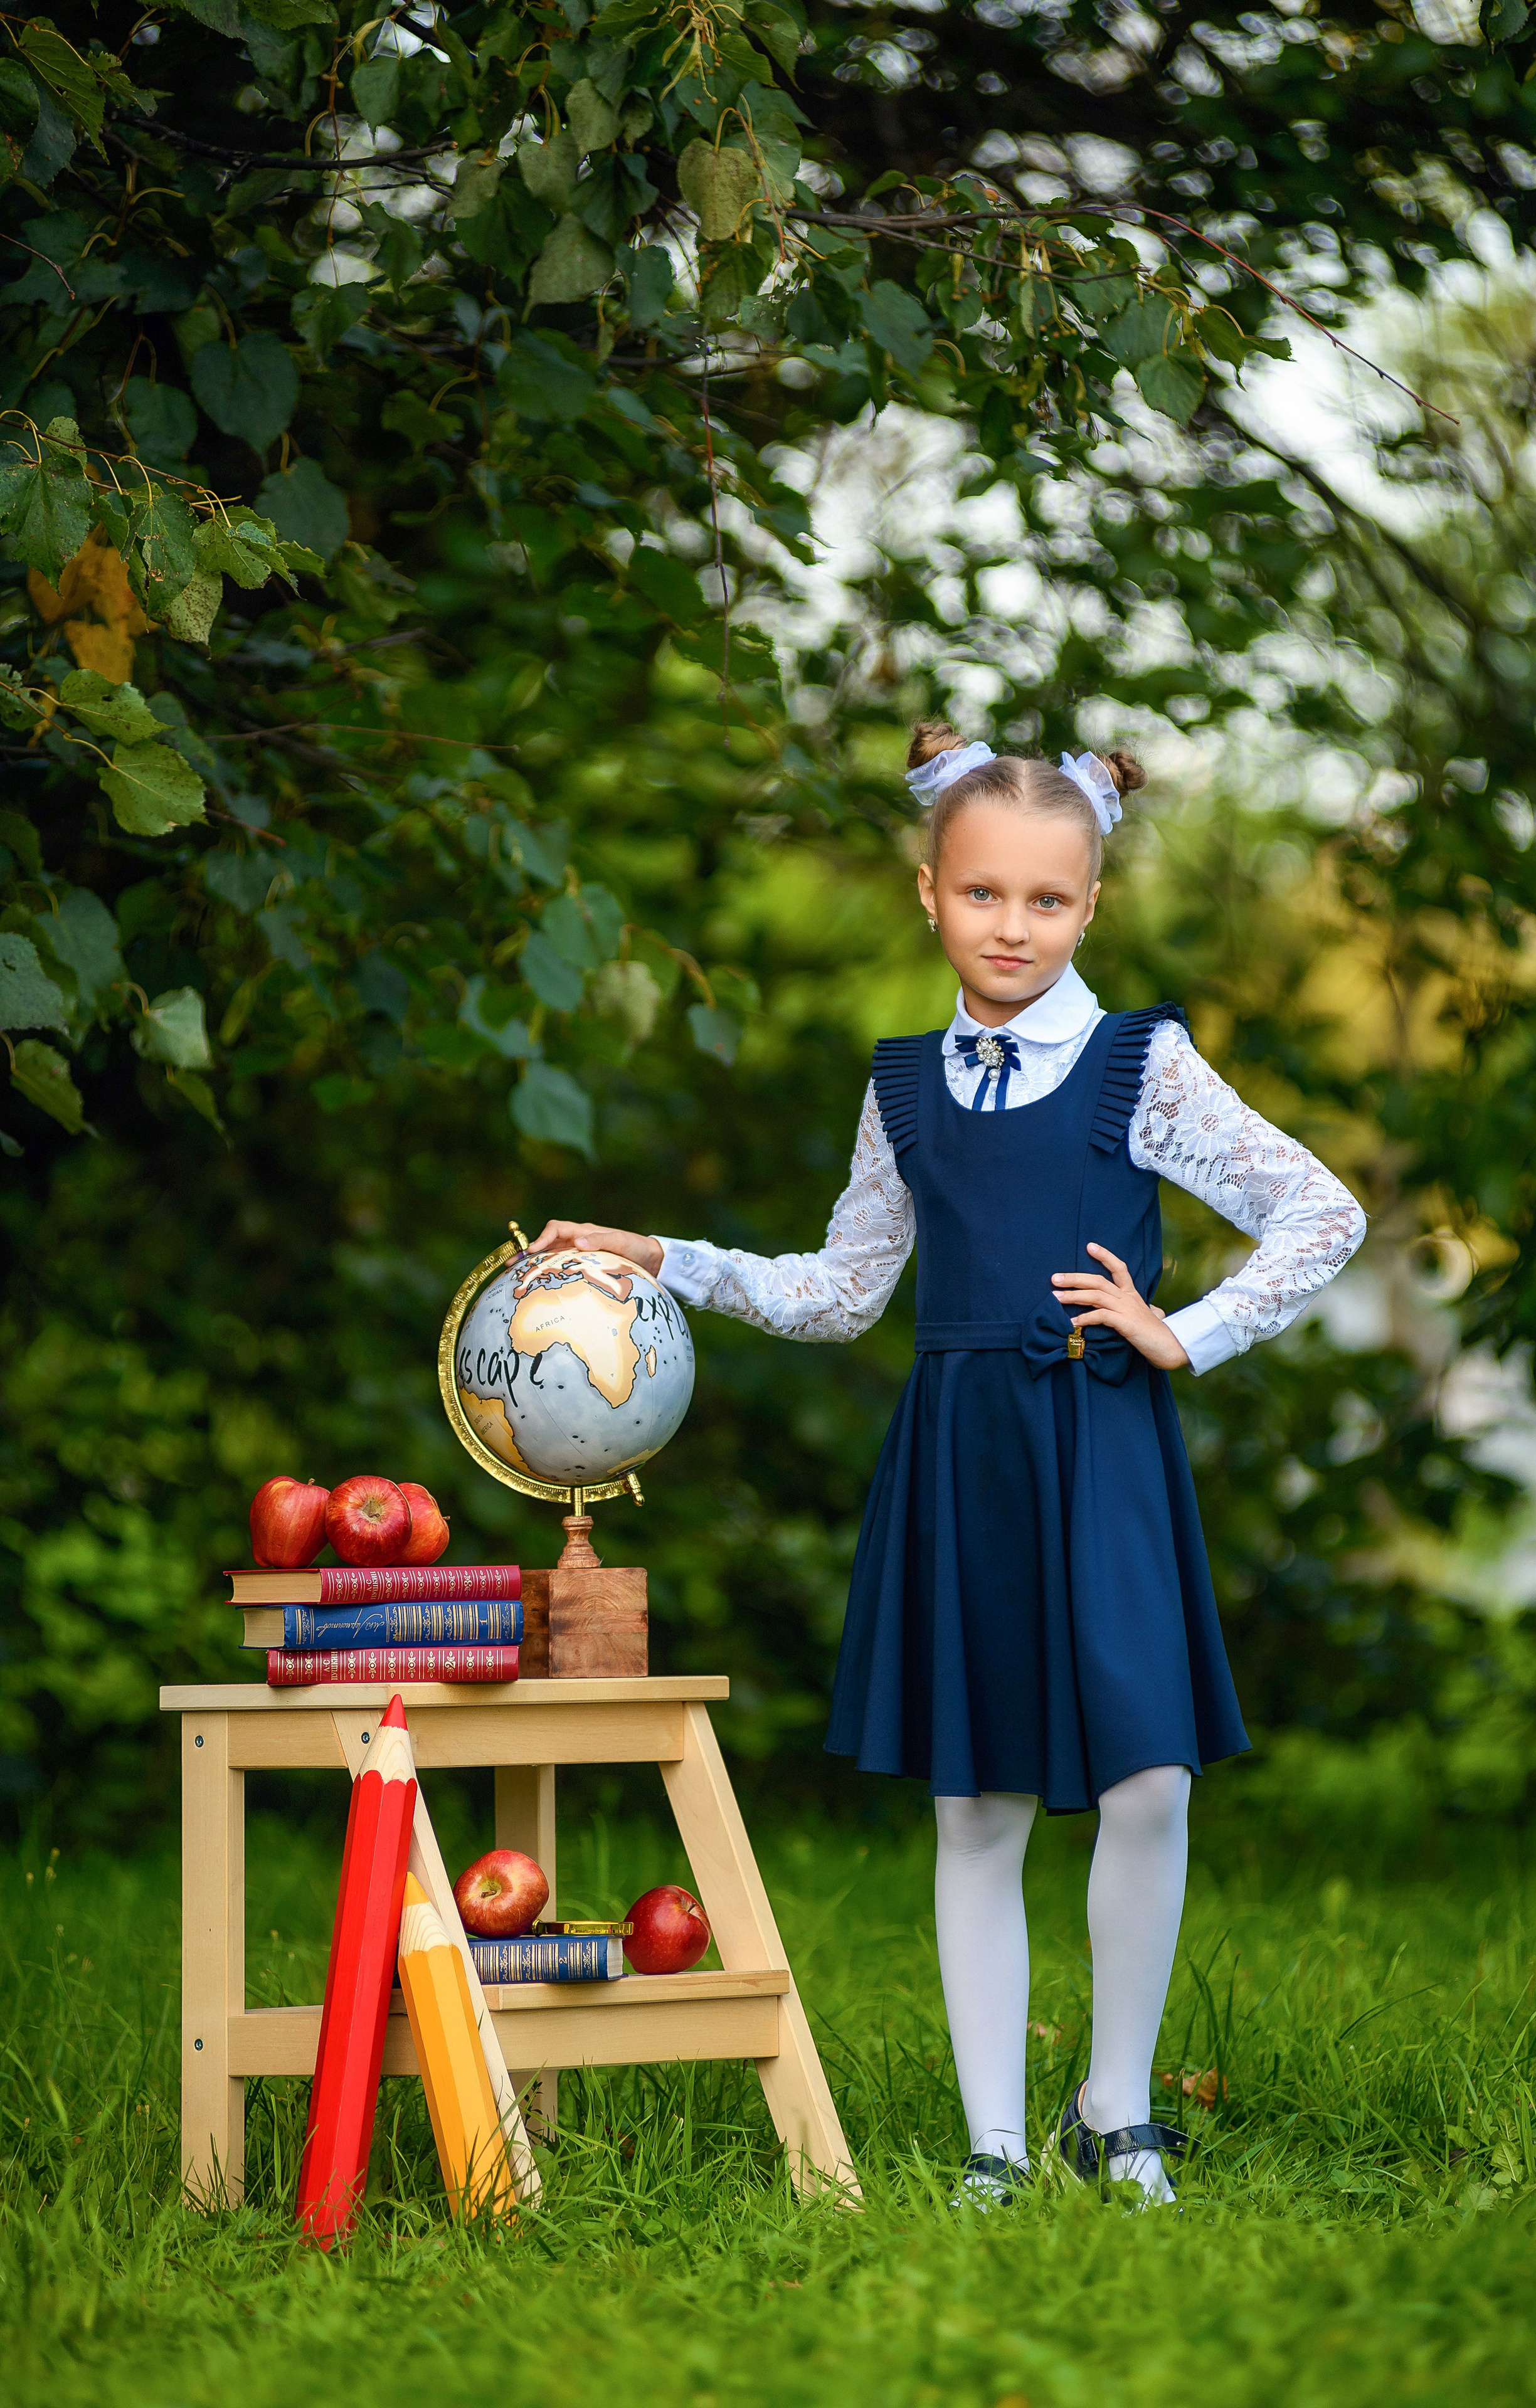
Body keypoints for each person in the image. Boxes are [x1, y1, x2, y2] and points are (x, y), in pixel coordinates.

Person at [529, 722, 1366, 2208]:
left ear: (1090, 906)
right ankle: (990, 2143)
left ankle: (1113, 2112)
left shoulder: (1138, 1064)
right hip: (961, 1454)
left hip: (1098, 1438)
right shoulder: (904, 1086)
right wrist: (661, 1254)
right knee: (972, 1801)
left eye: (1047, 901)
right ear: (930, 894)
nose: (1013, 926)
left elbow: (1318, 1212)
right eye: (983, 895)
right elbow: (844, 1289)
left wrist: (1183, 1332)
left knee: (1147, 1780)